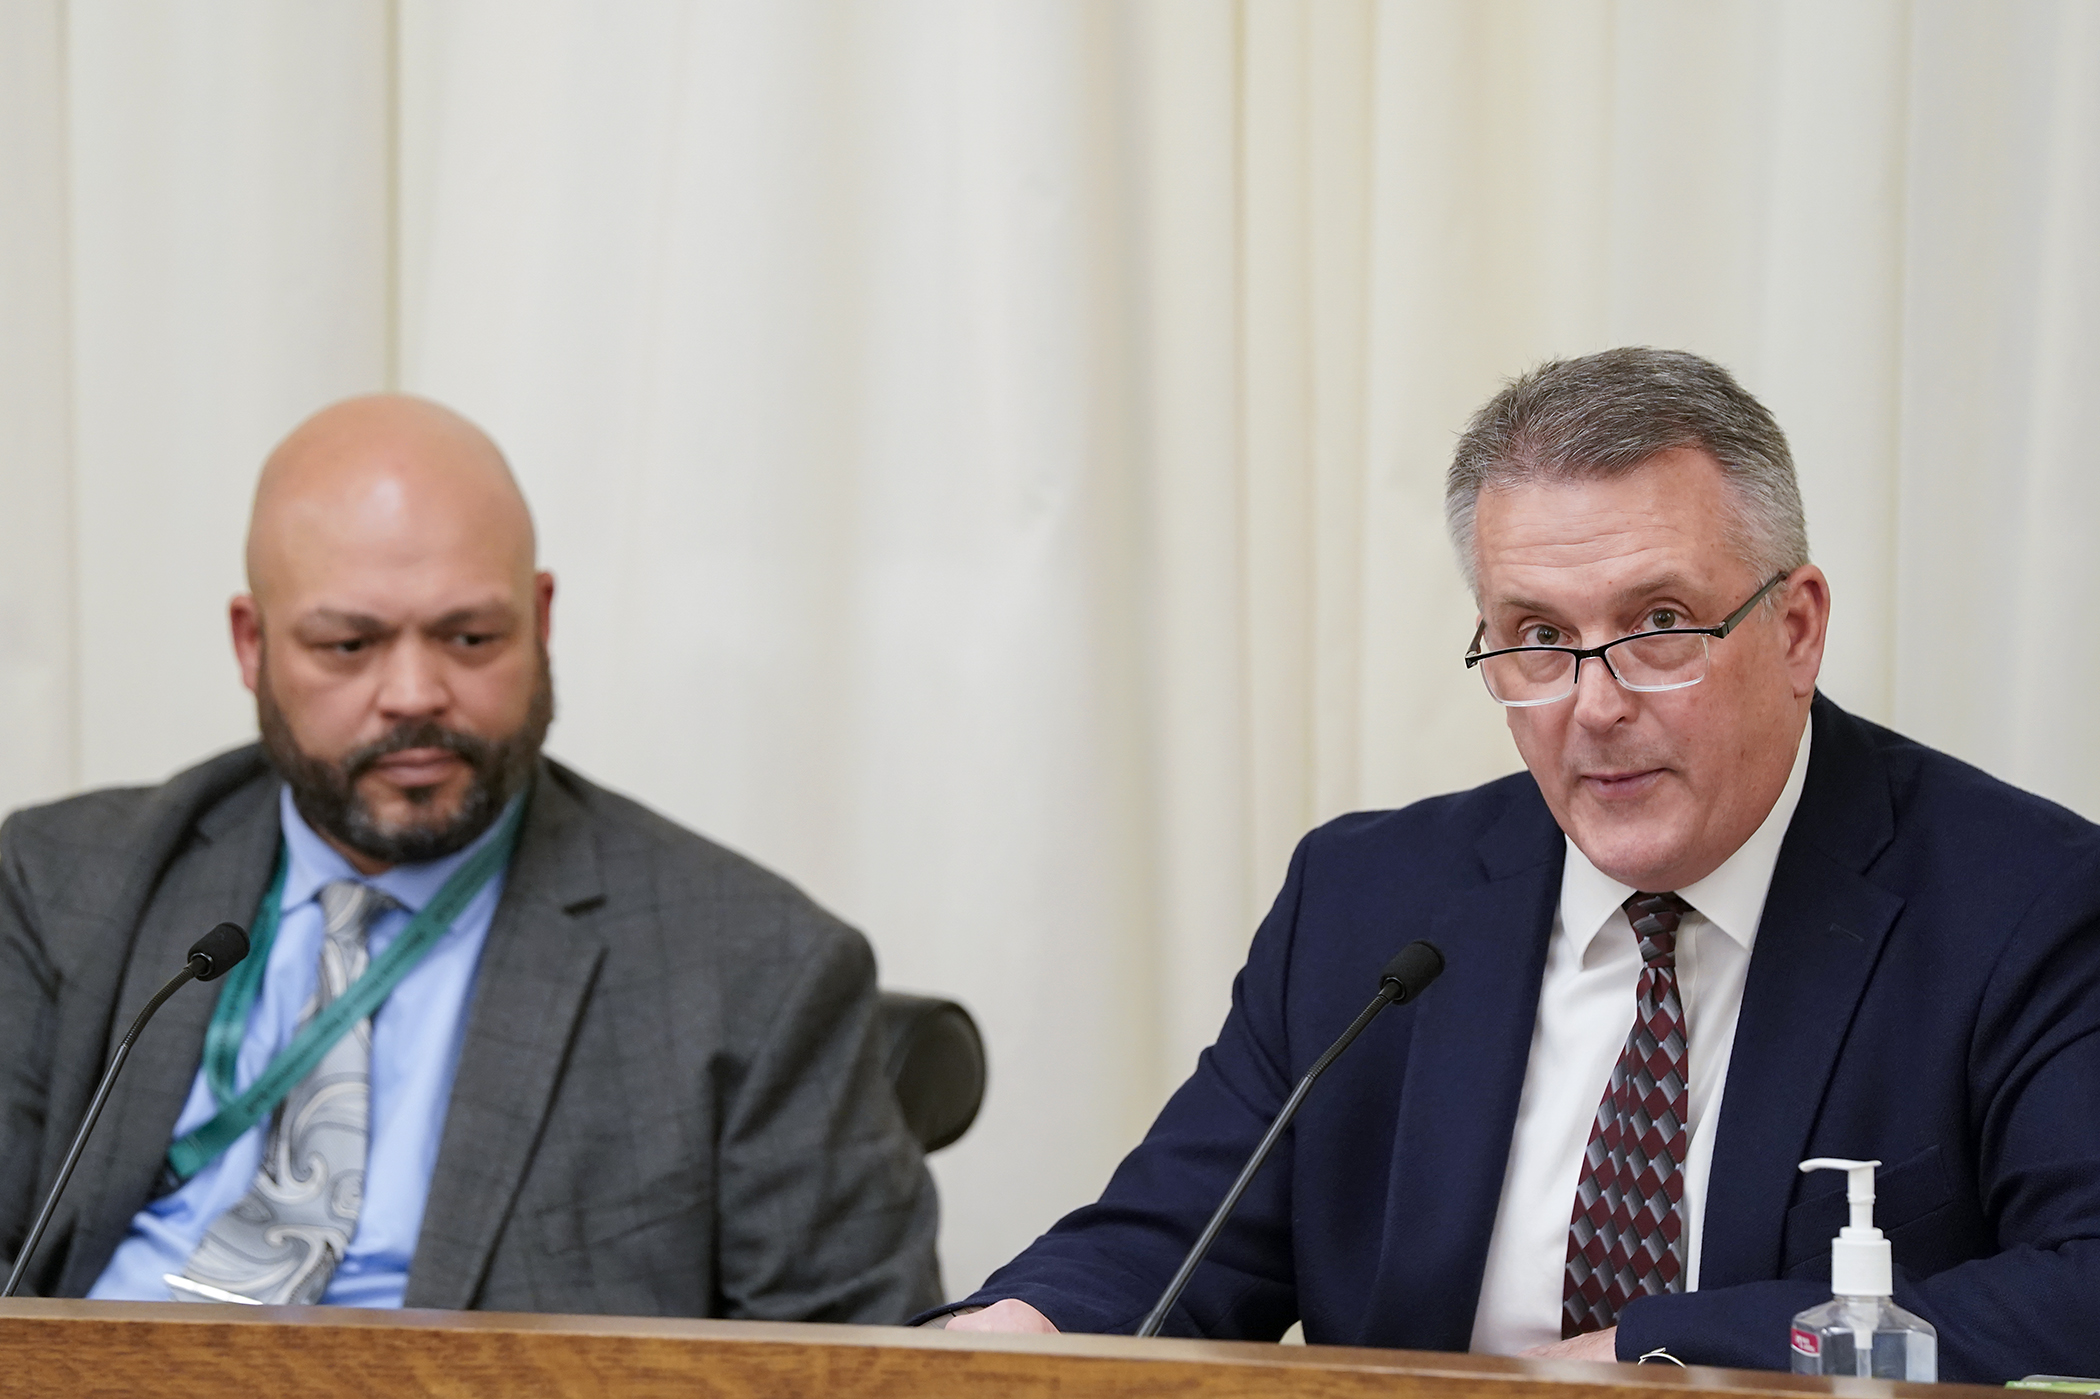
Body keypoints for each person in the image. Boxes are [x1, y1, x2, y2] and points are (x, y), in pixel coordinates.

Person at [932, 348, 2100, 1381]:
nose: (1593, 706)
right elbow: (1181, 1238)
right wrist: (1016, 1327)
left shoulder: (2024, 902)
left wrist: (1670, 1345)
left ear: (1794, 628)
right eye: (1538, 639)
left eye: (1658, 626)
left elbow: (2083, 1289)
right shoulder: (1371, 901)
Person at [0, 395, 940, 1320]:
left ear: (540, 617)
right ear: (253, 644)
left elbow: (855, 1365)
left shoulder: (755, 967)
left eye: (470, 637)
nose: (415, 693)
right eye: (349, 644)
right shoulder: (62, 885)